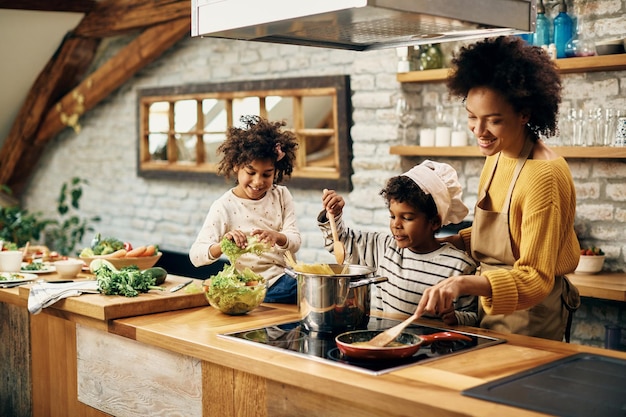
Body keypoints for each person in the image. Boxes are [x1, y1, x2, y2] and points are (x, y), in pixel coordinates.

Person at [414, 36, 581, 341]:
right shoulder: (499, 154)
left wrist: (462, 284)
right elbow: (502, 234)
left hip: (531, 316)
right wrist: (447, 241)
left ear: (525, 114)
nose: (479, 131)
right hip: (488, 306)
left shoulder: (543, 176)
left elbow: (535, 278)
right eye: (472, 117)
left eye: (494, 120)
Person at [320, 160, 478, 325]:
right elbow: (340, 244)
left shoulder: (459, 266)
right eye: (392, 216)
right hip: (387, 345)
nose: (396, 224)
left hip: (434, 348)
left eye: (407, 218)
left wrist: (454, 317)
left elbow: (474, 319)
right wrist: (334, 215)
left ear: (434, 222)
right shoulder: (384, 248)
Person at [189, 115, 302, 304]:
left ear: (276, 170)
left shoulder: (281, 195)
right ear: (236, 166)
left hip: (285, 280)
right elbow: (196, 256)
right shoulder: (224, 206)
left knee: (309, 282)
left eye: (267, 174)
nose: (258, 182)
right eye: (250, 173)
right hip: (250, 287)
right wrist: (224, 245)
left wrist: (277, 236)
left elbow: (295, 241)